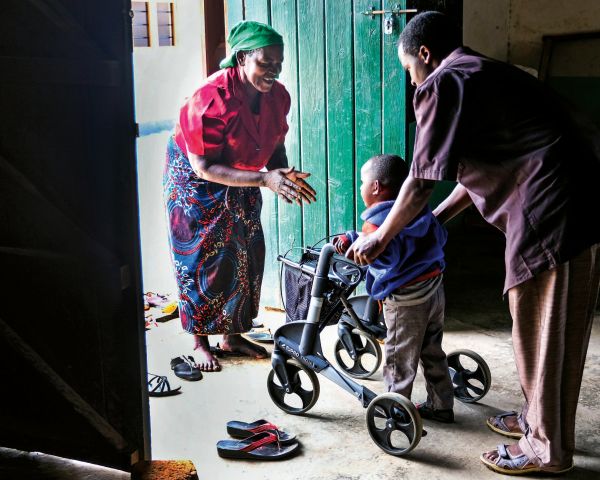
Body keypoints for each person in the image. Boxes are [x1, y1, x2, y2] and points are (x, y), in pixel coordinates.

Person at [346, 10, 600, 476]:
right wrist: (438, 218)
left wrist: (383, 235)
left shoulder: (443, 82)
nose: (411, 81)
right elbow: (474, 168)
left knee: (543, 331)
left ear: (424, 54)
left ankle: (546, 449)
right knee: (553, 329)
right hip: (575, 202)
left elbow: (421, 181)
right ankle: (536, 422)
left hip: (550, 213)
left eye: (408, 70)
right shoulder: (483, 73)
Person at [164, 20, 316, 372]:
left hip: (245, 173)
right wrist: (265, 179)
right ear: (242, 57)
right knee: (201, 255)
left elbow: (276, 144)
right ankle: (200, 341)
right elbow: (202, 166)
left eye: (278, 64)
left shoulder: (278, 96)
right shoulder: (208, 98)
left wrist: (283, 175)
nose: (273, 71)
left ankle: (232, 334)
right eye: (265, 63)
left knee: (246, 246)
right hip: (195, 179)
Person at [334, 154, 454, 422]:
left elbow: (382, 251)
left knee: (398, 359)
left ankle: (395, 412)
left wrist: (358, 244)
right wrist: (357, 238)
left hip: (406, 302)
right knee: (431, 349)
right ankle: (441, 404)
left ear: (376, 187)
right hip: (434, 291)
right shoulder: (419, 210)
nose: (361, 187)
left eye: (362, 182)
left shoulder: (376, 222)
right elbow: (436, 235)